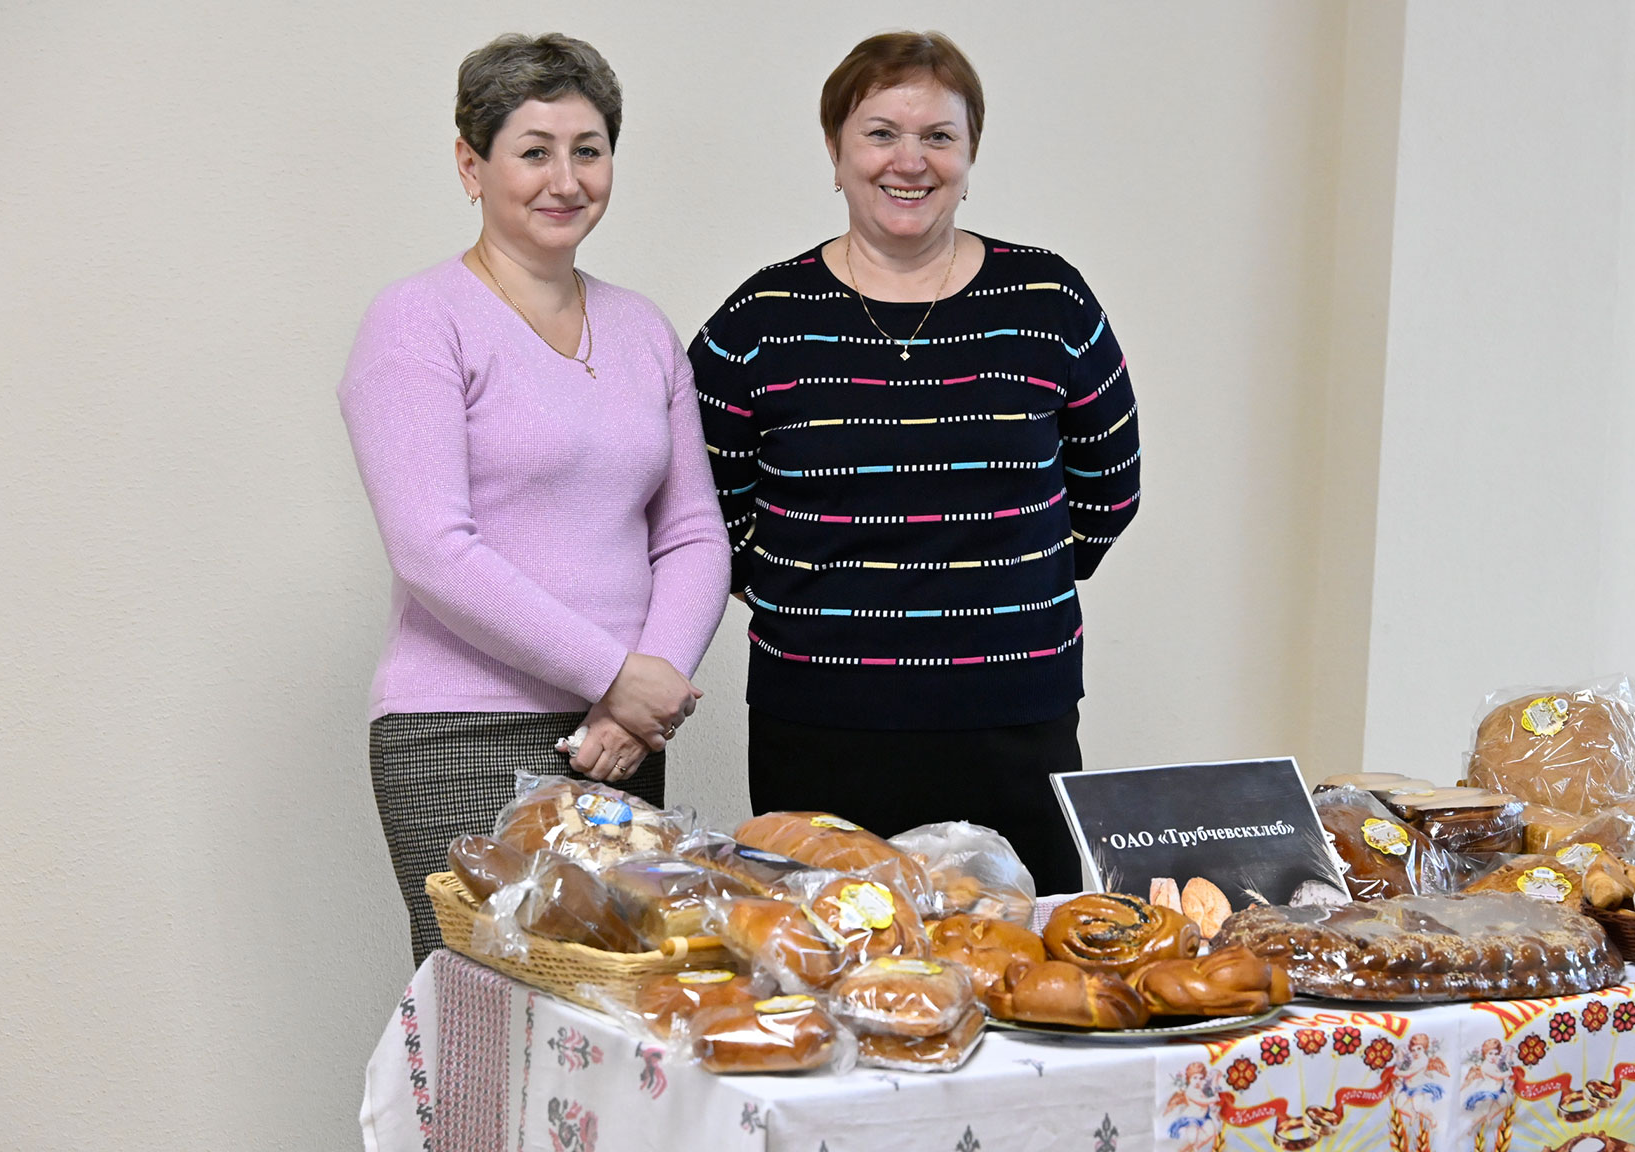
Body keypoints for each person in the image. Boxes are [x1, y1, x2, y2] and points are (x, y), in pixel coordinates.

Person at [691, 31, 1141, 894]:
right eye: (881, 133)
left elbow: (1109, 489)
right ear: (835, 151)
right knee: (827, 957)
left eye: (939, 135)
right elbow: (702, 509)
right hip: (818, 725)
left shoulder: (1048, 299)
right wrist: (803, 596)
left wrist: (1004, 584)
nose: (911, 160)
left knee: (1014, 952)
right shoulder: (760, 318)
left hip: (1015, 719)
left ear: (970, 155)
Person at [339, 34, 729, 964]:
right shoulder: (417, 320)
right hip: (461, 731)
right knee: (489, 1014)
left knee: (613, 1013)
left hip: (617, 738)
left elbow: (693, 534)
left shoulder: (642, 328)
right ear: (471, 165)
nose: (565, 179)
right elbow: (432, 546)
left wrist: (639, 700)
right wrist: (615, 675)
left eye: (588, 150)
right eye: (534, 151)